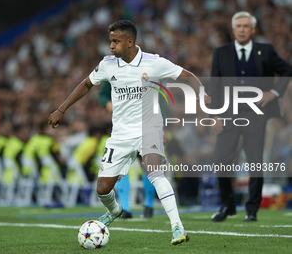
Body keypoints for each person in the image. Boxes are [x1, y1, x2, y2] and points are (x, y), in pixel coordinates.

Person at [49, 20, 210, 245]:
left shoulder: (154, 62)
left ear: (130, 42)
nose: (111, 46)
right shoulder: (107, 64)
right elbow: (86, 84)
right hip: (121, 135)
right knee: (103, 189)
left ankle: (177, 227)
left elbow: (187, 75)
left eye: (116, 41)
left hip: (150, 129)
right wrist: (61, 109)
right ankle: (115, 210)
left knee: (155, 173)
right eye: (111, 41)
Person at [209, 12, 292, 222]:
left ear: (252, 29)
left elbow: (286, 70)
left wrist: (273, 94)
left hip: (256, 114)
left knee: (255, 161)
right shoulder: (221, 52)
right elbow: (215, 85)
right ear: (233, 28)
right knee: (220, 160)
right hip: (228, 114)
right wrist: (215, 114)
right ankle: (227, 205)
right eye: (239, 25)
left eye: (246, 26)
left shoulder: (265, 51)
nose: (242, 29)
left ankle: (252, 209)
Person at [99, 80, 156, 219]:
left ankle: (149, 205)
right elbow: (103, 95)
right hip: (122, 127)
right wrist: (108, 104)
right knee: (121, 165)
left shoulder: (143, 68)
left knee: (147, 164)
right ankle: (125, 207)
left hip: (144, 124)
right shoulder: (113, 71)